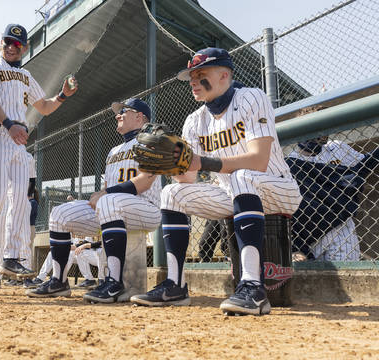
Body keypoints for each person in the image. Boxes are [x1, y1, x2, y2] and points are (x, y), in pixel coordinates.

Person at [130, 48, 302, 316]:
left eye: (201, 75)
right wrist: (171, 164)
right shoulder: (194, 121)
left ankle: (253, 287)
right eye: (191, 78)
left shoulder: (251, 97)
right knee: (172, 193)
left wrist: (204, 163)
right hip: (233, 194)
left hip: (277, 188)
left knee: (243, 176)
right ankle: (175, 285)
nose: (193, 82)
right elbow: (187, 179)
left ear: (224, 75)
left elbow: (258, 160)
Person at [27, 98, 161, 303]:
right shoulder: (113, 152)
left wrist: (105, 195)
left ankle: (114, 282)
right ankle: (59, 281)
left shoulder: (151, 140)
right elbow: (107, 189)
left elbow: (145, 181)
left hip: (145, 207)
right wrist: (100, 195)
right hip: (113, 210)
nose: (118, 115)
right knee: (59, 214)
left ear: (140, 116)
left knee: (109, 201)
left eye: (124, 111)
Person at [0, 23, 78, 289]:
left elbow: (43, 106)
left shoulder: (26, 75)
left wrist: (63, 96)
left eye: (17, 44)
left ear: (25, 48)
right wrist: (10, 125)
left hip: (17, 141)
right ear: (1, 43)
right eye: (8, 42)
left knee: (21, 202)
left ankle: (11, 257)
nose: (12, 47)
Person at [286, 108, 379, 261]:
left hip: (341, 227)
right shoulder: (290, 163)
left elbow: (363, 166)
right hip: (310, 234)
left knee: (348, 278)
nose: (323, 134)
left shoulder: (336, 148)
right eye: (318, 129)